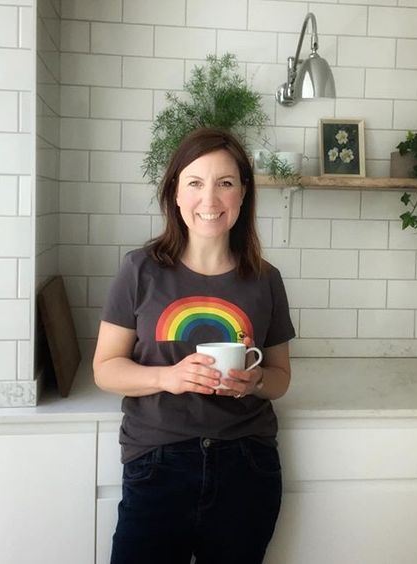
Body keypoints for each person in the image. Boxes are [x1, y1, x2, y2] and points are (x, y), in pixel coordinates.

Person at [93, 127, 296, 564]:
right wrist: (168, 376)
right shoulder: (139, 270)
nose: (210, 199)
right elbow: (106, 368)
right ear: (175, 194)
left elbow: (280, 379)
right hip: (157, 463)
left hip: (247, 465)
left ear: (243, 194)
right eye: (195, 183)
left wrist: (254, 380)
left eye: (225, 183)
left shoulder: (266, 279)